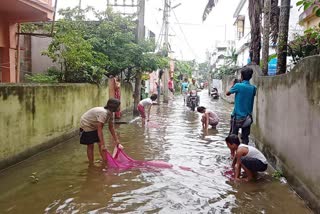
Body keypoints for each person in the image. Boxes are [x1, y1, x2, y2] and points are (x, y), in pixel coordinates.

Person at [80, 98, 122, 165]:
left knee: (100, 144)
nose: (119, 107)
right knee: (91, 145)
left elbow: (111, 127)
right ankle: (91, 163)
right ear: (114, 107)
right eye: (118, 106)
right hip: (87, 123)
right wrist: (103, 144)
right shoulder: (103, 113)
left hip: (94, 124)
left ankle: (105, 162)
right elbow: (99, 129)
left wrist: (116, 140)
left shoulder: (110, 113)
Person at [226, 67, 256, 145]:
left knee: (233, 137)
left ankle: (233, 154)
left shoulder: (238, 86)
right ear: (251, 77)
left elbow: (227, 93)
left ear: (241, 76)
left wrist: (233, 85)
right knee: (245, 137)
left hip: (237, 117)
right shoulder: (253, 88)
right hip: (247, 118)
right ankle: (244, 153)